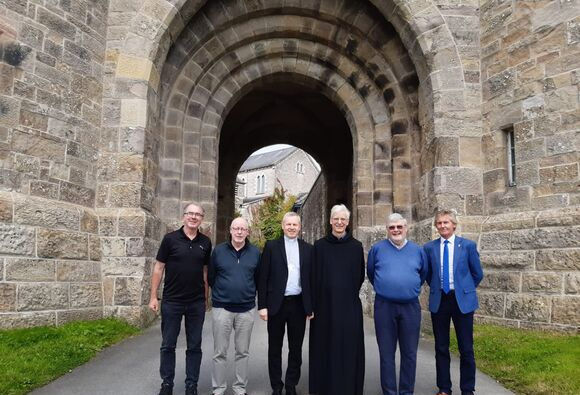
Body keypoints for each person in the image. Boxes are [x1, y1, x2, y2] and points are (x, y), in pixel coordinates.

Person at [149, 202, 212, 395]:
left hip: (195, 303)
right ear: (184, 216)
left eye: (198, 215)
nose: (194, 217)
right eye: (190, 214)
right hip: (172, 301)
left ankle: (191, 385)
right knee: (168, 344)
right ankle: (167, 384)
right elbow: (159, 268)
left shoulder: (205, 242)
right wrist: (153, 296)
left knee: (194, 346)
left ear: (202, 218)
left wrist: (205, 298)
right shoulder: (170, 239)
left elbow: (205, 271)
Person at [424, 210, 484, 395]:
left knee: (466, 347)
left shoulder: (467, 246)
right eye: (439, 223)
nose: (442, 226)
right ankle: (444, 388)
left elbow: (477, 273)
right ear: (436, 226)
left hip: (462, 301)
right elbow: (428, 274)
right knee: (441, 346)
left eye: (446, 222)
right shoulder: (429, 248)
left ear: (454, 225)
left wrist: (464, 289)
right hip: (440, 300)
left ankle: (467, 389)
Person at [367, 213, 428, 395]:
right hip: (384, 307)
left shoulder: (418, 251)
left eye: (399, 227)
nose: (395, 230)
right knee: (386, 353)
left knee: (409, 353)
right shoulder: (377, 249)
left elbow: (423, 274)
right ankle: (390, 391)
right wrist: (387, 286)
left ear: (406, 228)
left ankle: (406, 391)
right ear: (387, 230)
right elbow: (371, 273)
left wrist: (407, 287)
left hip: (410, 307)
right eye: (391, 227)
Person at [309, 204, 365, 395]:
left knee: (348, 348)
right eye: (336, 219)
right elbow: (313, 276)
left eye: (343, 219)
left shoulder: (356, 247)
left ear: (348, 222)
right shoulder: (319, 246)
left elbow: (359, 276)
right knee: (325, 347)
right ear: (330, 221)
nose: (339, 222)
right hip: (324, 307)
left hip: (349, 306)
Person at [258, 212, 313, 395]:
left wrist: (310, 305)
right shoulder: (272, 247)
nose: (291, 227)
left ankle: (291, 385)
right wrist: (262, 306)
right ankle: (276, 386)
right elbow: (263, 277)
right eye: (288, 224)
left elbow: (311, 280)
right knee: (275, 348)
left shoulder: (308, 249)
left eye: (294, 225)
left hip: (298, 304)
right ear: (283, 226)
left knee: (295, 348)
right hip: (276, 304)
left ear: (299, 227)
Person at [208, 217, 261, 395]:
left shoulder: (255, 253)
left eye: (242, 229)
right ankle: (218, 388)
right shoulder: (218, 251)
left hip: (246, 310)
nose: (239, 232)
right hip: (222, 308)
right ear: (230, 230)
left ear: (247, 232)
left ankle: (240, 388)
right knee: (219, 352)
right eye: (236, 228)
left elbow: (258, 279)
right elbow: (212, 278)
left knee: (242, 352)